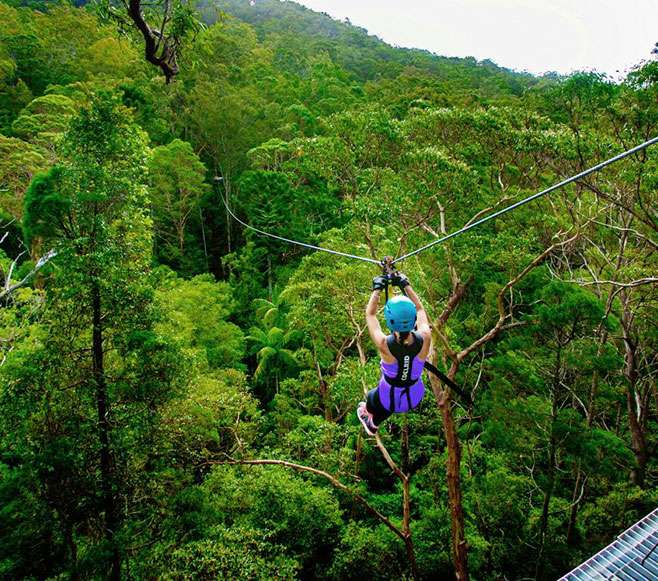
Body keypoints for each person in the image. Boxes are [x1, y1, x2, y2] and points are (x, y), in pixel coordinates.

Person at [357, 272, 432, 436]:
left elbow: (370, 315)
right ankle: (373, 424)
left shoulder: (385, 344)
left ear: (390, 321)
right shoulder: (425, 337)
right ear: (413, 321)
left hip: (388, 396)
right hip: (414, 395)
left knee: (371, 398)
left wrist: (377, 289)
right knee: (389, 401)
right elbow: (420, 309)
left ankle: (370, 418)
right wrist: (405, 284)